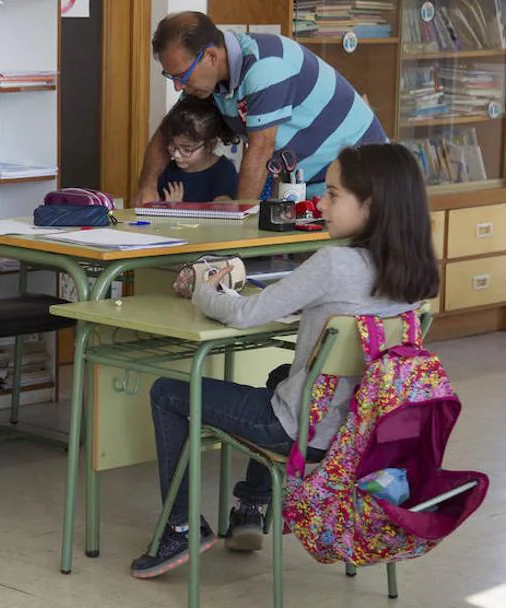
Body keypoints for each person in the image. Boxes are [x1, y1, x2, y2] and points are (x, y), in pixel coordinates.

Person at [130, 143, 440, 579]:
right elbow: (348, 317)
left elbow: (245, 314)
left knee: (168, 392)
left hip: (301, 429)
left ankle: (179, 528)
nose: (320, 204)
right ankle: (252, 508)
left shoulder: (335, 263)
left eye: (333, 195)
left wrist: (205, 291)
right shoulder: (416, 271)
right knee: (280, 374)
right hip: (364, 433)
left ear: (370, 205)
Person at [132, 11, 388, 206]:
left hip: (364, 183)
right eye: (171, 76)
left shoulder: (265, 66)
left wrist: (239, 226)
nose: (178, 86)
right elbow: (170, 129)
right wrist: (148, 185)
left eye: (182, 75)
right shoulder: (208, 83)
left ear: (211, 56)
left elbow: (260, 149)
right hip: (310, 189)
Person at [155, 95, 239, 203]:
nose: (176, 154)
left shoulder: (224, 171)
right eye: (173, 146)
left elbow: (222, 213)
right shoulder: (168, 171)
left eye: (187, 149)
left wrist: (180, 209)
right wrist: (166, 207)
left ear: (210, 145)